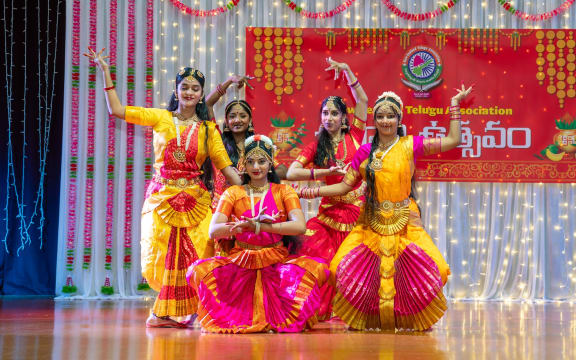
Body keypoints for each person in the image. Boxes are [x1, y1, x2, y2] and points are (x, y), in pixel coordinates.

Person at [84, 48, 242, 328]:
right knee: (159, 257)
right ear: (177, 90)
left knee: (198, 253)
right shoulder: (160, 117)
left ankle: (193, 311)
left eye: (195, 88)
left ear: (201, 93)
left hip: (196, 199)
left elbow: (227, 168)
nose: (190, 92)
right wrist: (105, 73)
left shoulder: (208, 130)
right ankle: (165, 313)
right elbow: (118, 111)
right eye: (185, 87)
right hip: (162, 198)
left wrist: (256, 187)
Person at [298, 85, 473, 331]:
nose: (385, 121)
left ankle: (407, 315)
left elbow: (454, 140)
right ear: (374, 120)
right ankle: (370, 316)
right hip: (371, 221)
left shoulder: (411, 145)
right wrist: (307, 192)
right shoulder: (364, 153)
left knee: (440, 269)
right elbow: (342, 188)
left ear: (399, 118)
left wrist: (454, 105)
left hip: (406, 220)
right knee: (338, 269)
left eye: (390, 116)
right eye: (380, 116)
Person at [187, 135, 329, 333]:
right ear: (244, 164)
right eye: (251, 161)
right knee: (199, 271)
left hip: (275, 262)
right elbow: (213, 231)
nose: (256, 166)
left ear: (270, 163)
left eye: (261, 161)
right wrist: (237, 227)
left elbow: (299, 226)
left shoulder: (283, 191)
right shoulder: (233, 193)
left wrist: (262, 227)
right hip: (241, 262)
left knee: (316, 270)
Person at [285, 57, 368, 320]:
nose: (329, 117)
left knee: (352, 266)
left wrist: (348, 71)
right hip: (328, 215)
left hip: (357, 215)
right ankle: (311, 309)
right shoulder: (316, 146)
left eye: (334, 113)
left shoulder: (355, 134)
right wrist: (325, 173)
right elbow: (291, 172)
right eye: (325, 113)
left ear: (345, 118)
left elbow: (363, 101)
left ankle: (350, 311)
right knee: (311, 255)